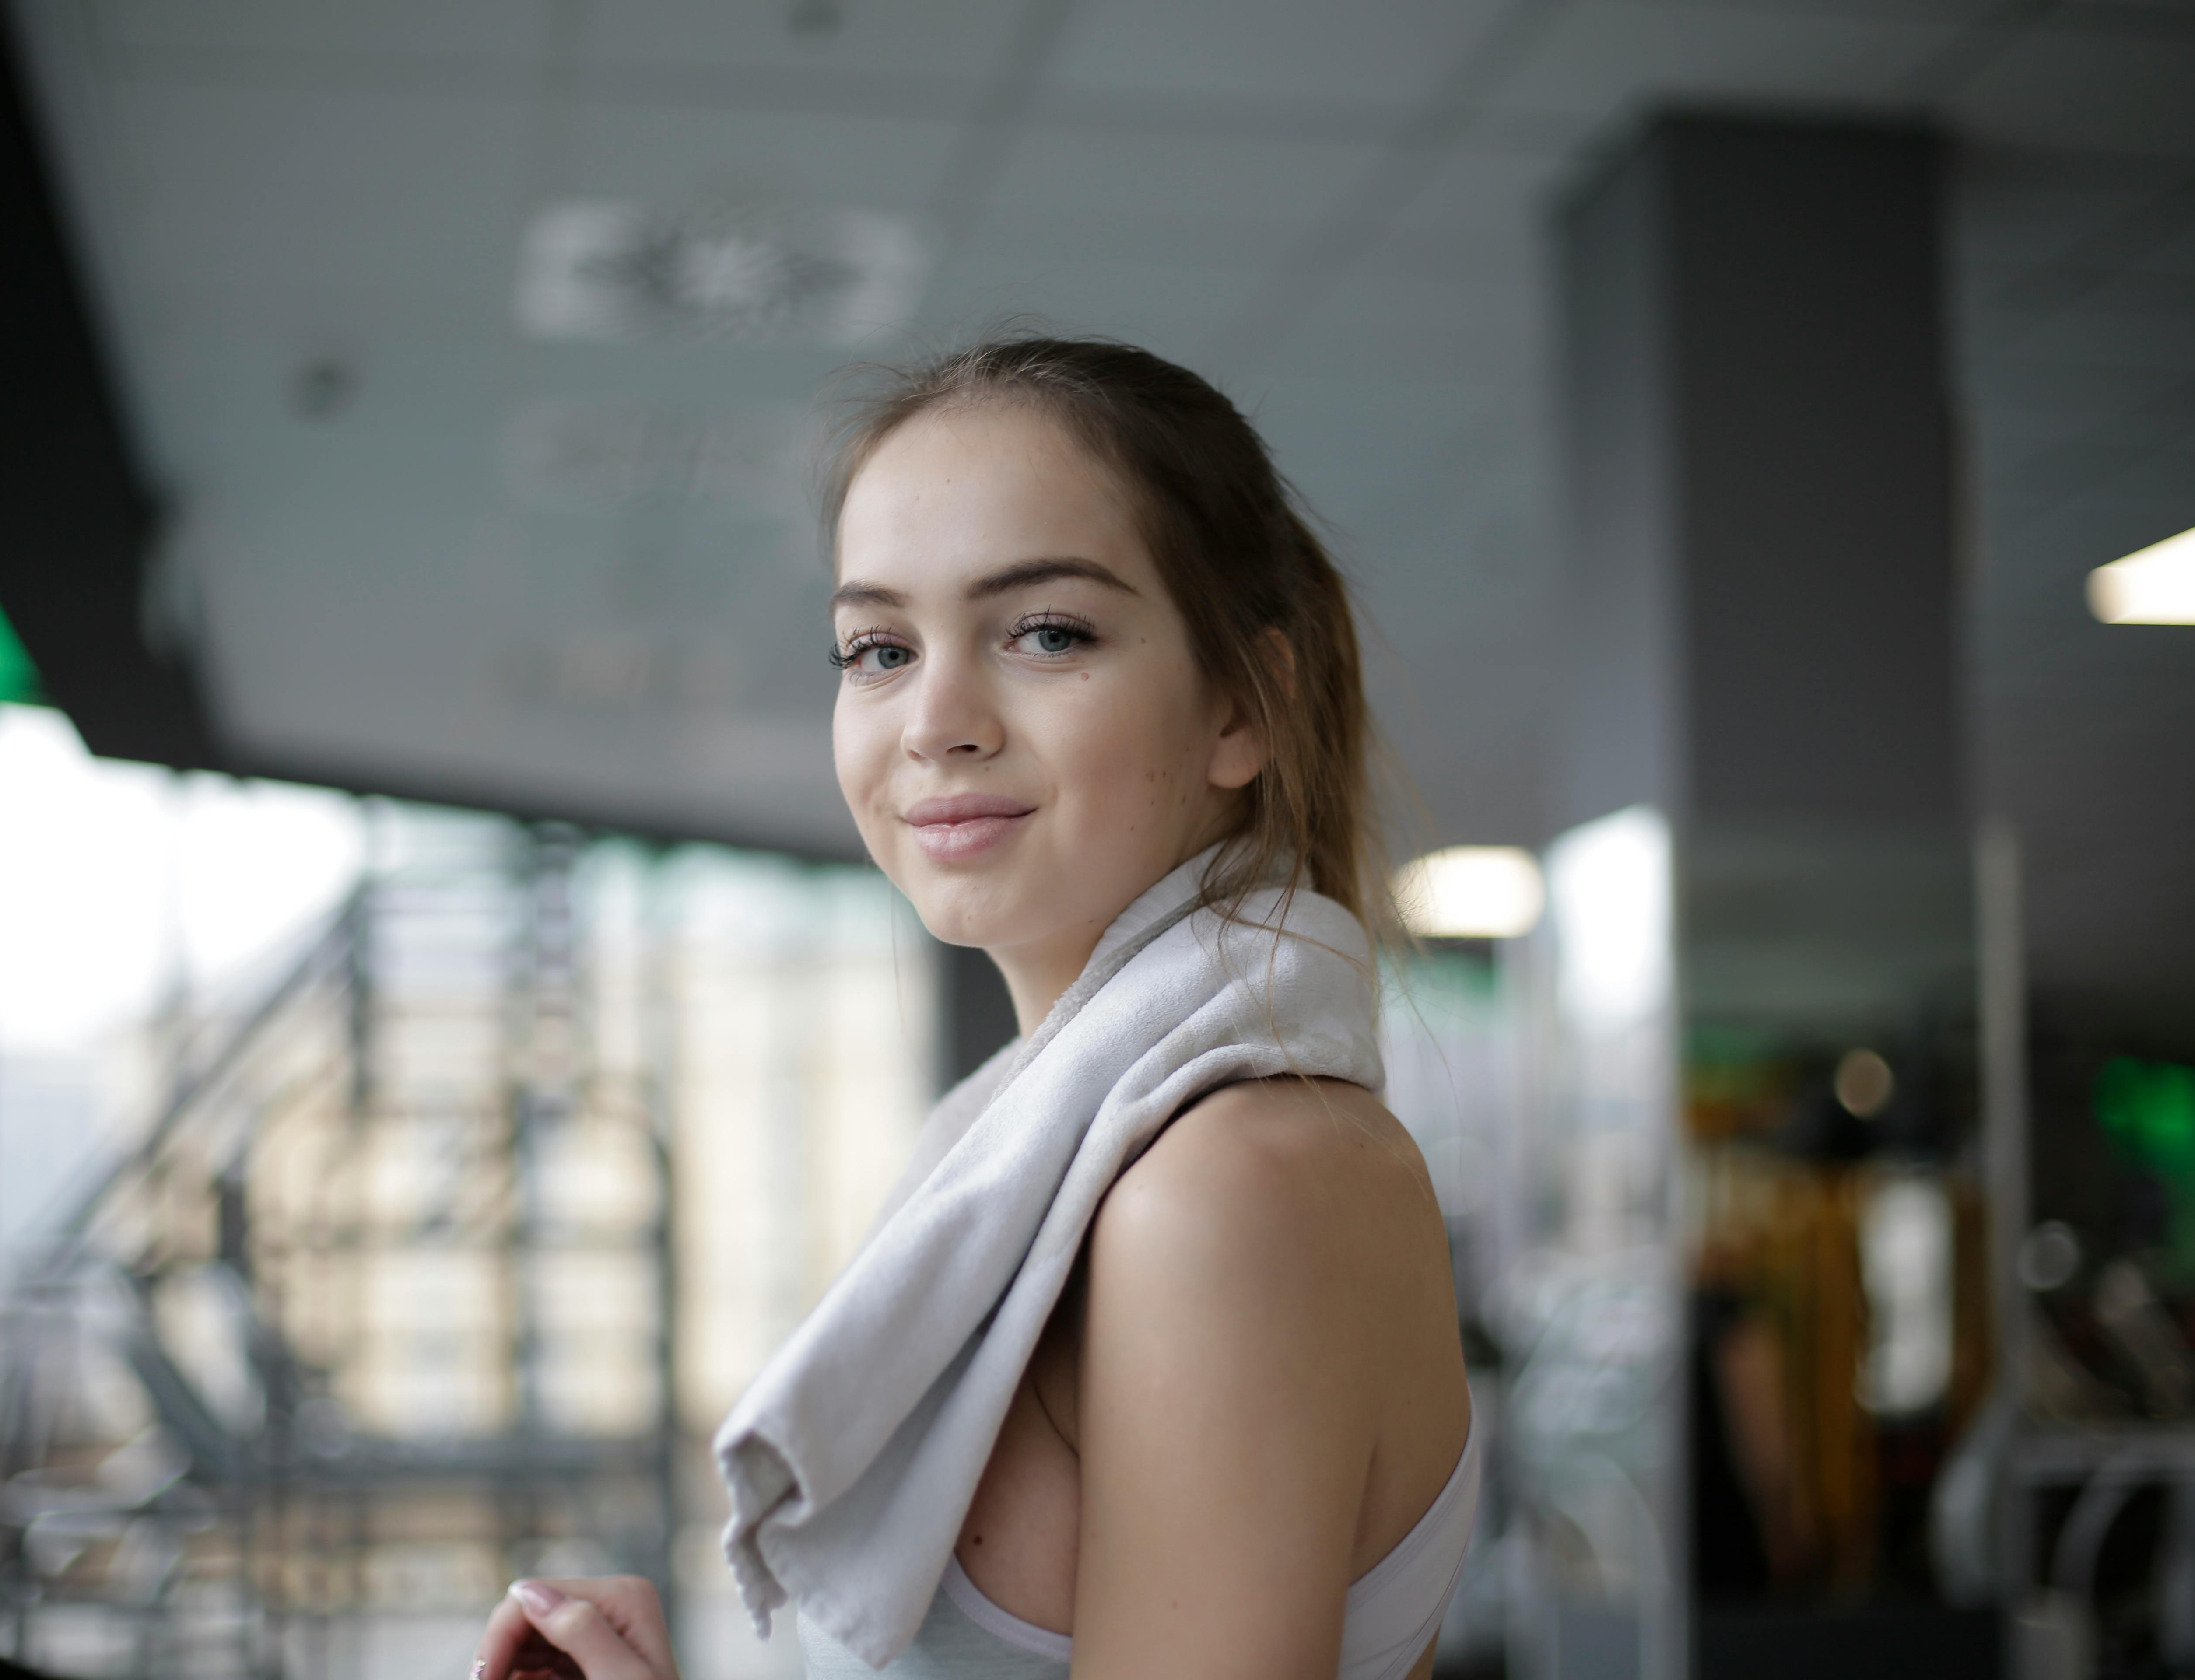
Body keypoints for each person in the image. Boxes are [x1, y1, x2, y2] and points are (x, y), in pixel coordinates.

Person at [473, 339, 1472, 1680]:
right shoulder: (1041, 1157)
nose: (935, 720)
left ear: (1247, 703)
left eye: (1046, 632)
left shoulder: (1230, 1184)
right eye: (877, 648)